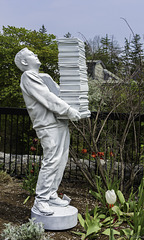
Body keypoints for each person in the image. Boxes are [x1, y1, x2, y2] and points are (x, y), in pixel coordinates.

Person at [14, 47, 81, 215]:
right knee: (51, 161)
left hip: (59, 123)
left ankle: (51, 194)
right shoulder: (28, 76)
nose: (36, 54)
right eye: (31, 54)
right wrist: (68, 110)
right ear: (24, 62)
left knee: (60, 161)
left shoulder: (42, 77)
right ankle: (41, 200)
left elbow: (58, 94)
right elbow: (47, 97)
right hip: (48, 126)